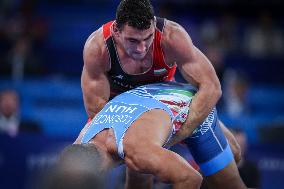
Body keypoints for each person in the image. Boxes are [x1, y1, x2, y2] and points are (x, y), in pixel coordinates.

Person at [81, 0, 243, 188]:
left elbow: (212, 87)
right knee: (136, 166)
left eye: (147, 38)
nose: (142, 48)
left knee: (234, 152)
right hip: (123, 109)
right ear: (117, 31)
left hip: (166, 99)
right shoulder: (98, 48)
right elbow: (97, 111)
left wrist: (179, 132)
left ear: (153, 25)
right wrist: (135, 141)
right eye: (133, 40)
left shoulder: (171, 37)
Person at [53, 82, 205, 189]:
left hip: (191, 101)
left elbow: (191, 178)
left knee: (222, 179)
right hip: (145, 93)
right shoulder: (80, 144)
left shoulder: (137, 149)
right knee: (137, 176)